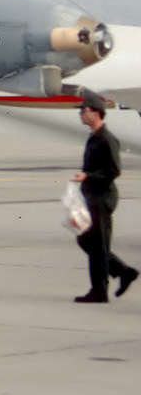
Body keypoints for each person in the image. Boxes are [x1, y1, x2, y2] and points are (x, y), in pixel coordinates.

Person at [72, 96, 138, 302]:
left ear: (95, 112)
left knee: (96, 244)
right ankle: (123, 271)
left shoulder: (106, 139)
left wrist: (88, 176)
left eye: (84, 110)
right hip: (92, 196)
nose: (81, 114)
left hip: (102, 197)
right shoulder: (94, 137)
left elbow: (113, 170)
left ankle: (100, 291)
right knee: (87, 240)